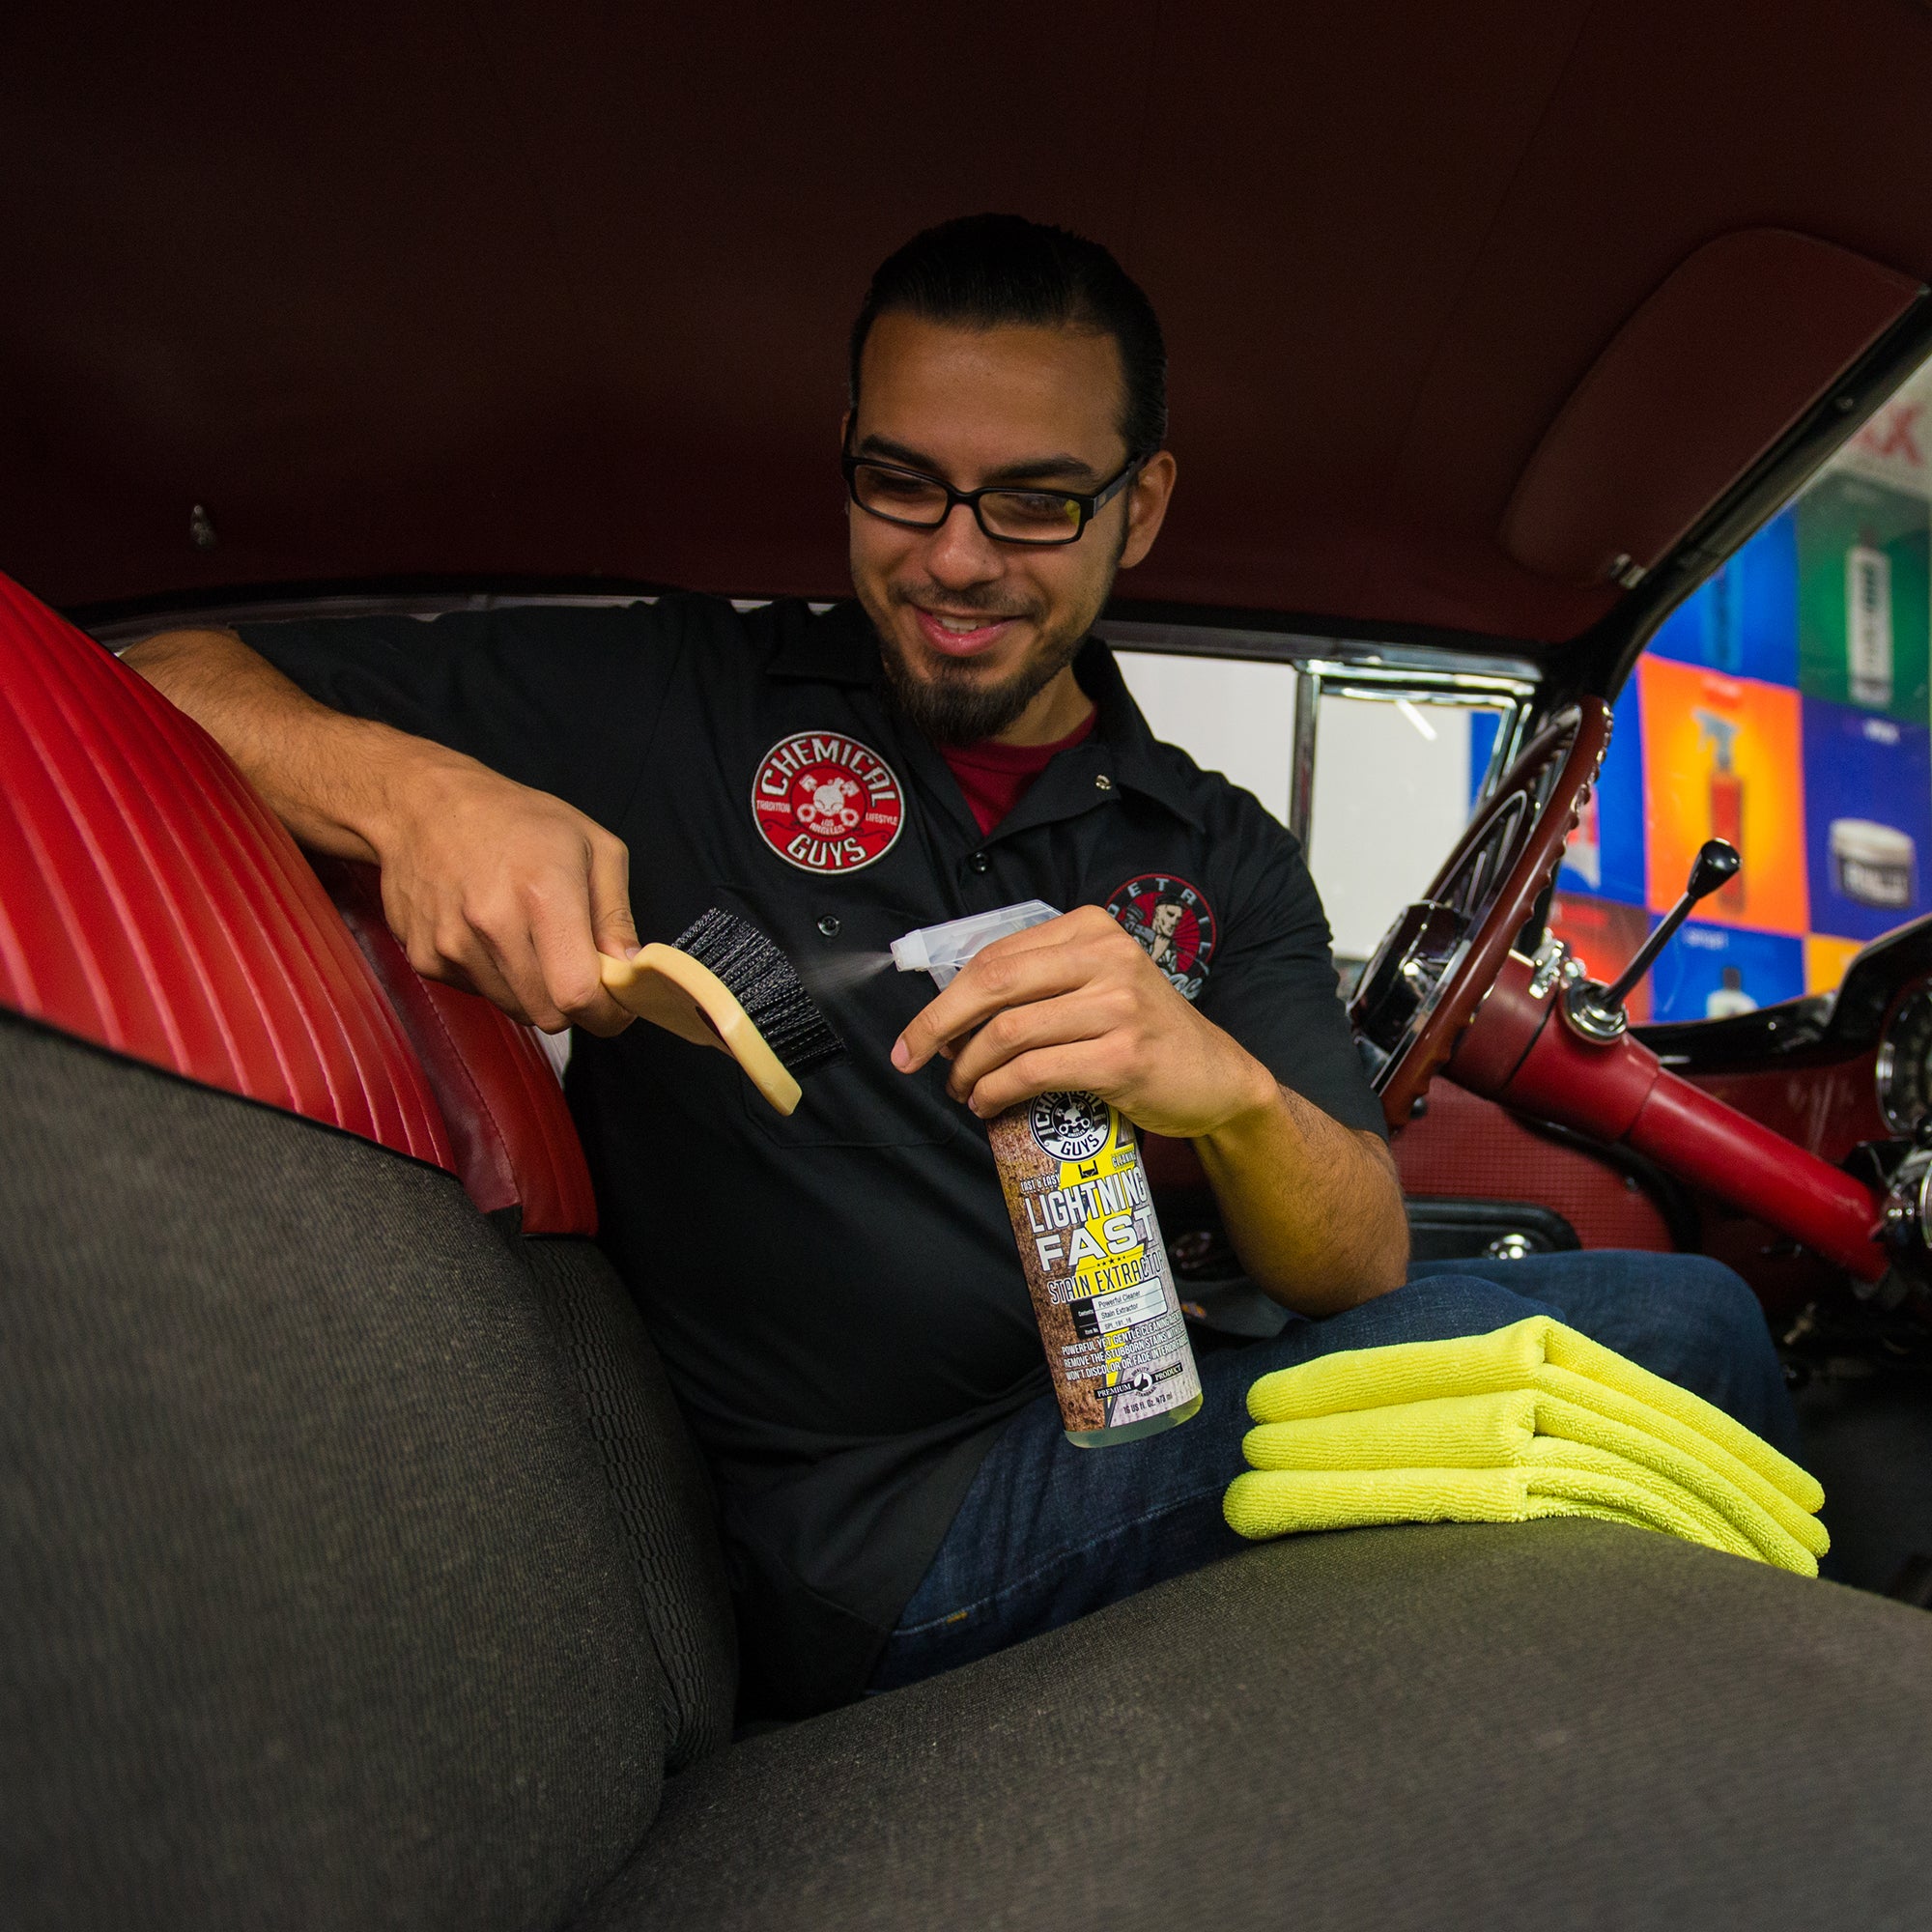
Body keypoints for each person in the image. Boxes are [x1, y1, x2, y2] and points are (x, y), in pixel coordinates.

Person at [124, 214, 1800, 1716]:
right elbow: (158, 666)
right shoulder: (682, 702)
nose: (955, 556)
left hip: (1151, 1404)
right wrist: (418, 796)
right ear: (848, 465)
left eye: (1037, 501)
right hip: (883, 1537)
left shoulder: (1216, 848)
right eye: (902, 482)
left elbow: (1353, 1256)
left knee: (1669, 1313)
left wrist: (1221, 1093)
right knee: (1683, 1322)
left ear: (1142, 505)